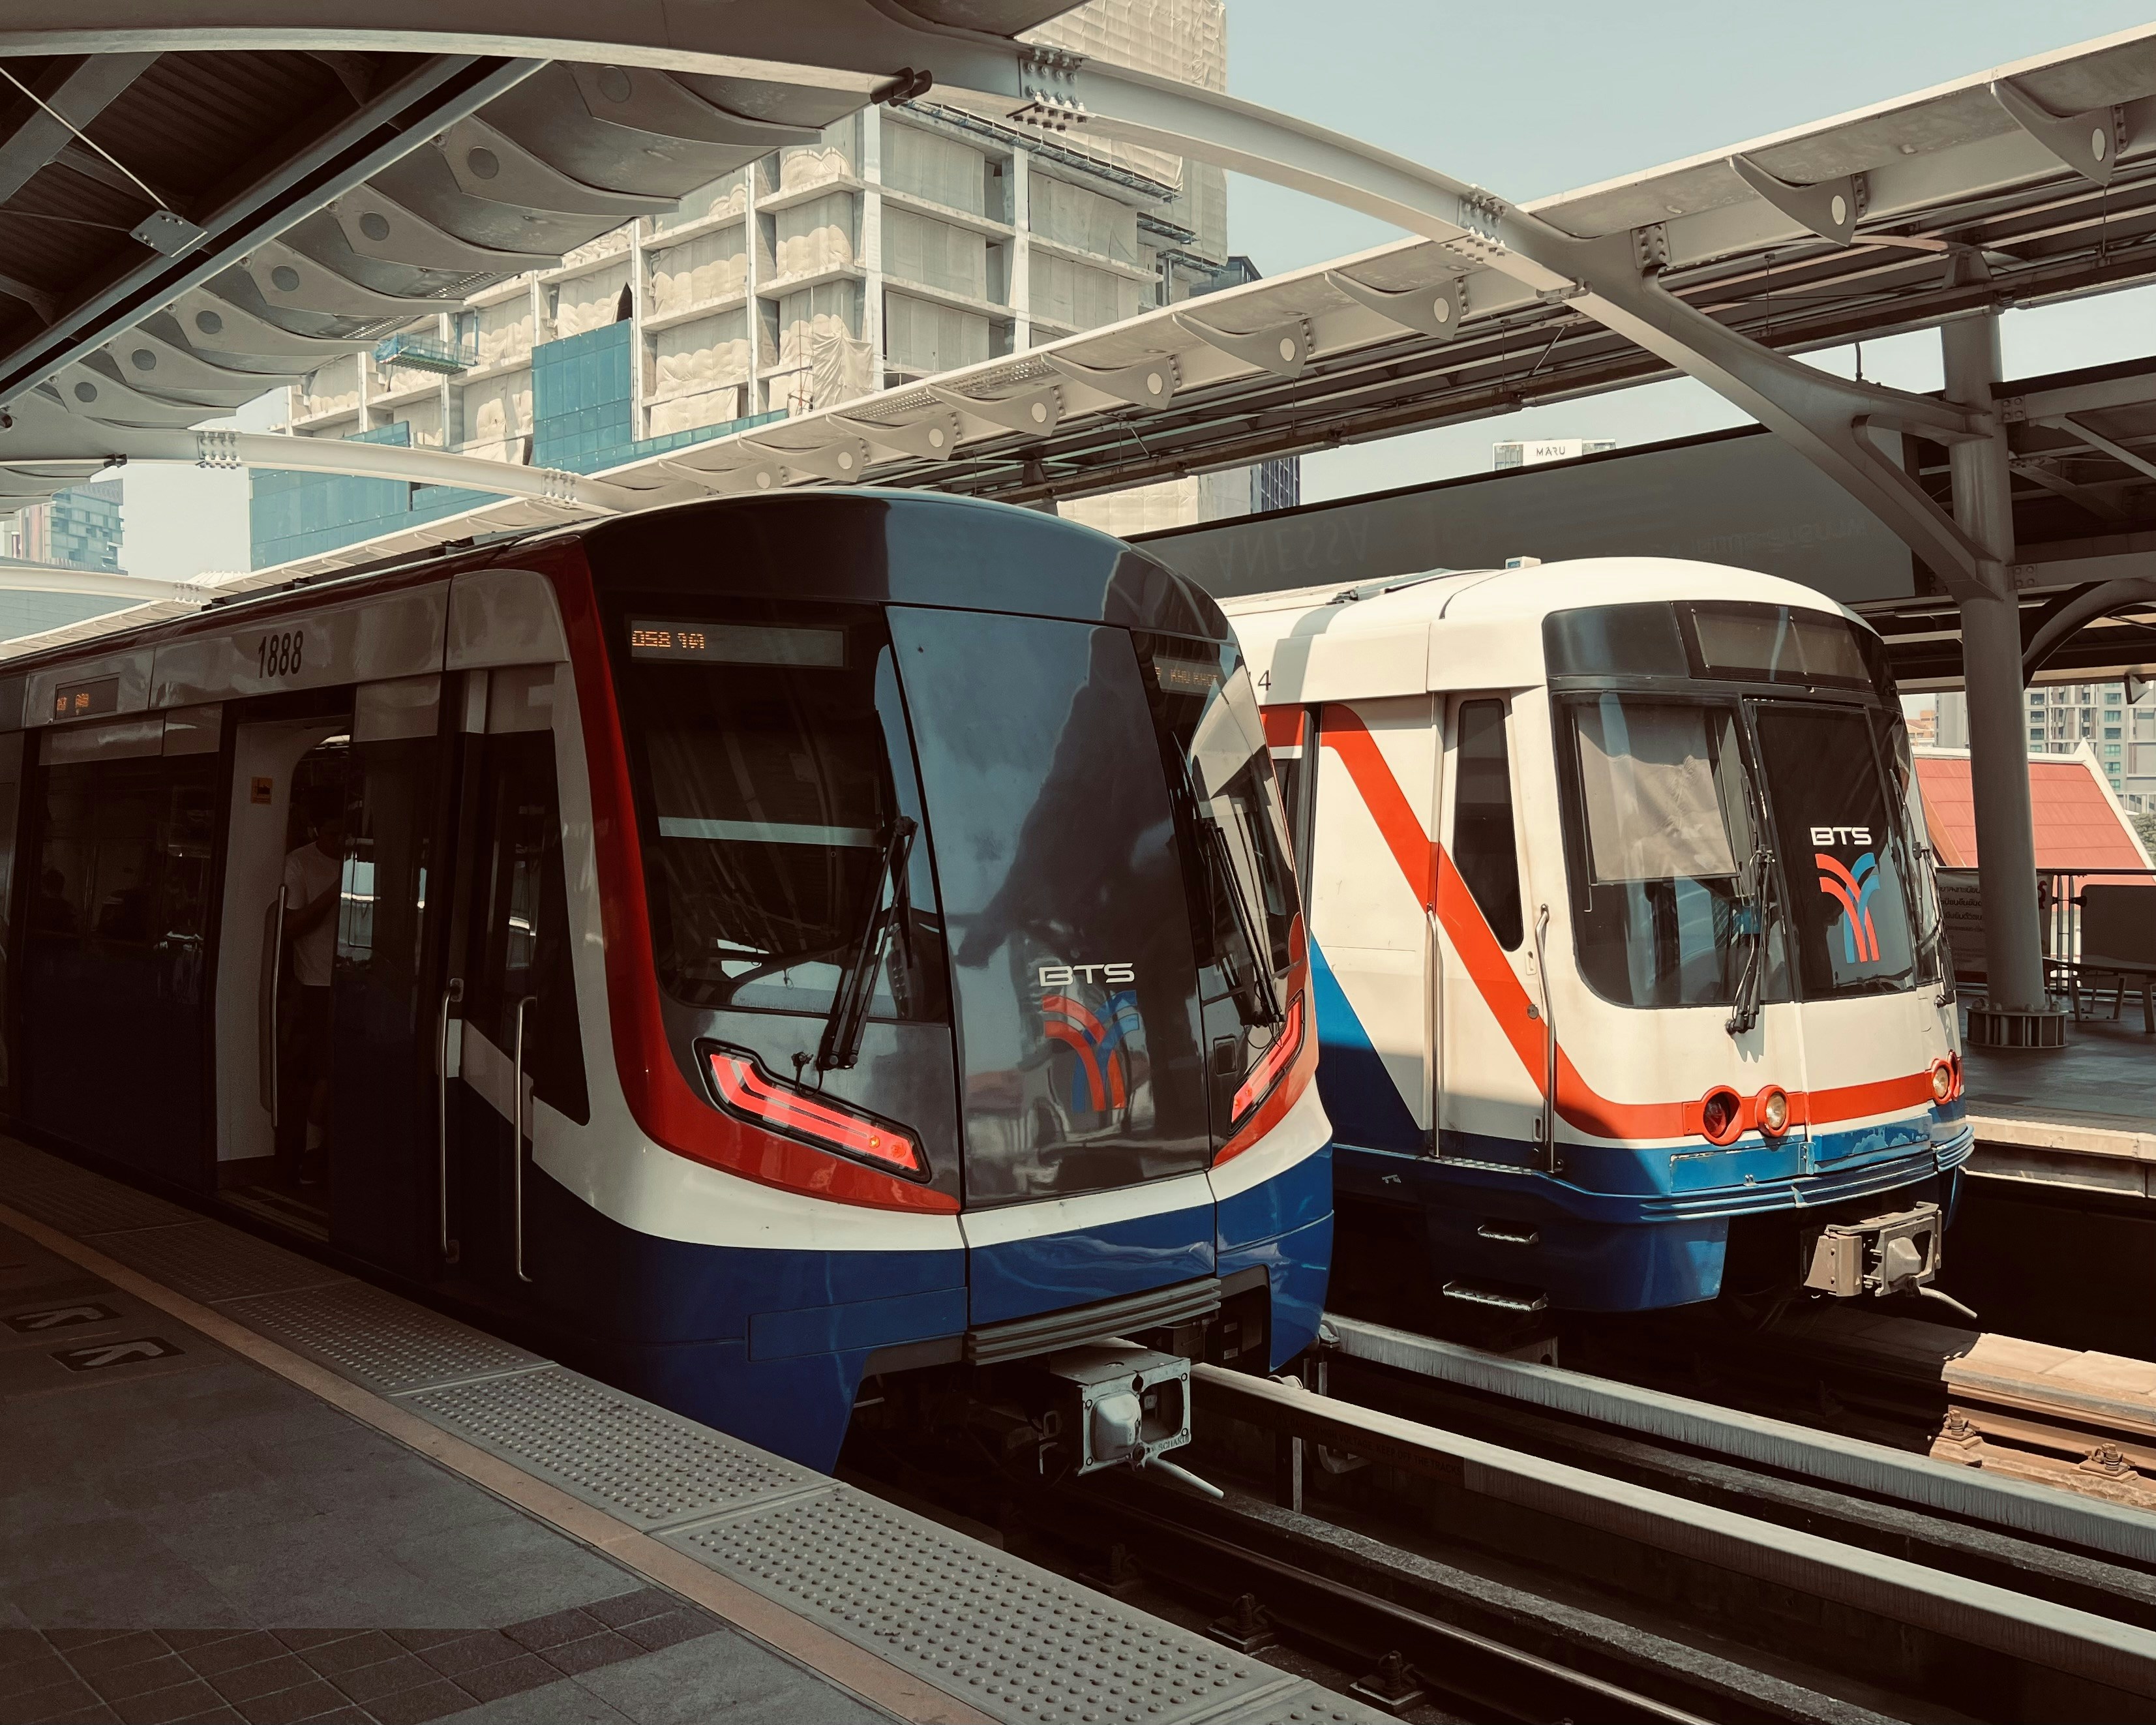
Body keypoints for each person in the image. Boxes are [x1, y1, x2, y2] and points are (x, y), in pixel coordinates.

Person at [282, 794, 345, 1187]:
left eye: (345, 833)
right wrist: (337, 891)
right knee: (328, 1071)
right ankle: (310, 1149)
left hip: (354, 979)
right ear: (317, 832)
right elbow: (291, 927)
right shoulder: (300, 864)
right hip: (318, 981)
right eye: (333, 834)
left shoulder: (363, 859)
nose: (341, 841)